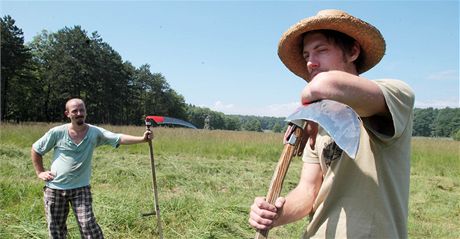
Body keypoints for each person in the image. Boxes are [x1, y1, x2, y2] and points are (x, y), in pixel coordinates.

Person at [249, 9, 414, 238]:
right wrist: (275, 213)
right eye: (306, 55)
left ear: (353, 51)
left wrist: (304, 110)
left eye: (321, 51)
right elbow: (308, 192)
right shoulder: (318, 123)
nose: (310, 63)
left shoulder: (394, 95)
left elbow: (324, 85)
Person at [31, 98, 152, 239]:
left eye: (81, 110)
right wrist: (40, 172)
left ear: (86, 112)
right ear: (67, 114)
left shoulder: (94, 132)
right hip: (55, 189)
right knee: (56, 229)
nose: (79, 113)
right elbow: (36, 149)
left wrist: (142, 139)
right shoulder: (57, 132)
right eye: (74, 111)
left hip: (81, 189)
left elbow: (117, 138)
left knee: (88, 225)